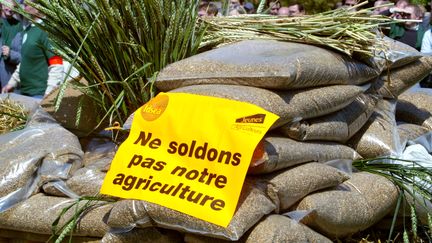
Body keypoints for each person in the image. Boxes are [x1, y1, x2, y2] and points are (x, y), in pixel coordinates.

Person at [2, 0, 64, 99]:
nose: (24, 8)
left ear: (37, 7)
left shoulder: (46, 31)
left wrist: (49, 93)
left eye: (26, 5)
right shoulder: (28, 30)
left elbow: (56, 63)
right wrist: (11, 83)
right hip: (25, 92)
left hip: (40, 93)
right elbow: (25, 60)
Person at [0, 0, 22, 88]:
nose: (10, 8)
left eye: (13, 6)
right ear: (1, 6)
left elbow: (22, 56)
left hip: (8, 76)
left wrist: (10, 54)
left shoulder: (19, 26)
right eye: (7, 5)